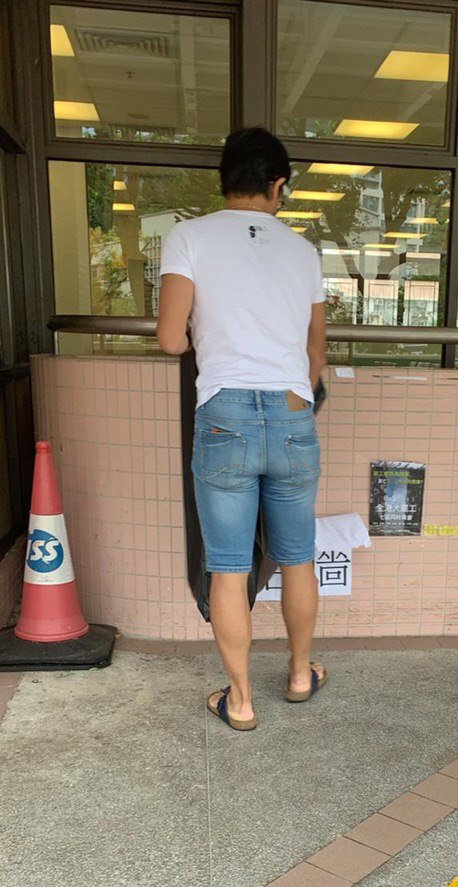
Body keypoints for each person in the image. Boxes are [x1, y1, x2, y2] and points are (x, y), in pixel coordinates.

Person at [157, 128, 328, 731]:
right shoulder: (303, 252)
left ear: (224, 181)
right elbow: (316, 353)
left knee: (229, 566)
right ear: (279, 184)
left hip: (224, 415)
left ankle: (241, 699)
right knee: (297, 555)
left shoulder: (189, 237)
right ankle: (301, 674)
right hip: (292, 413)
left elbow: (171, 339)